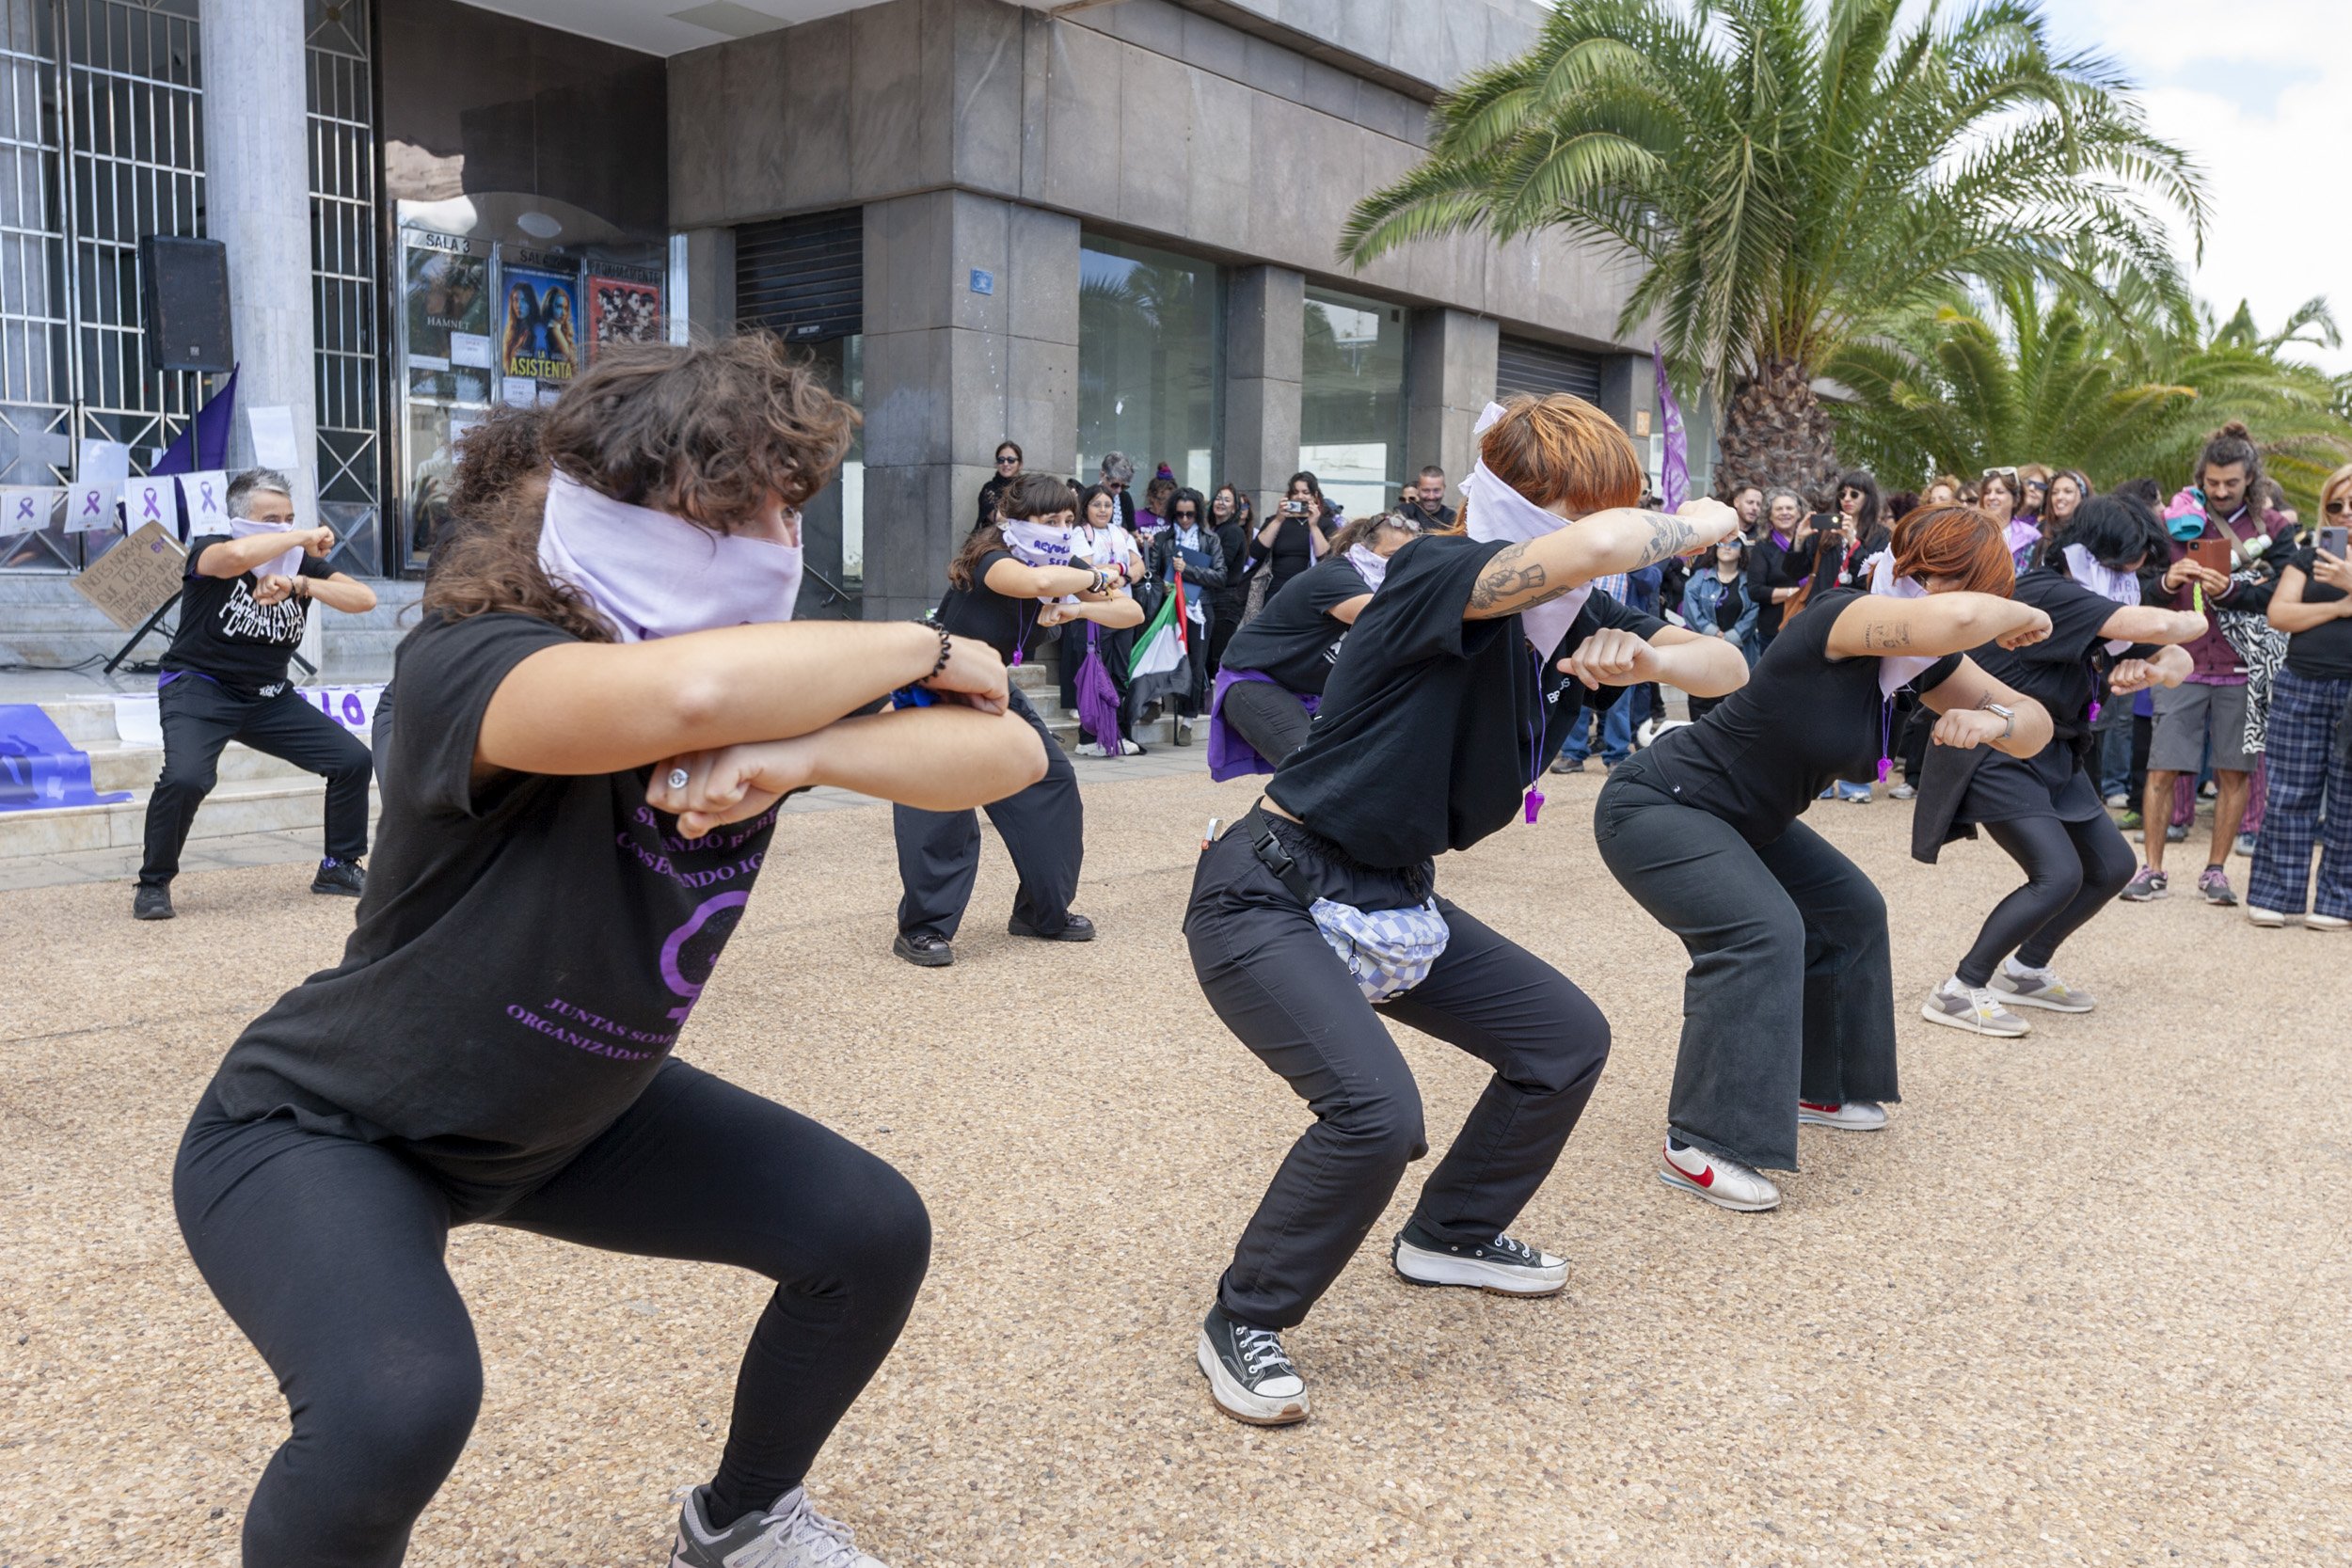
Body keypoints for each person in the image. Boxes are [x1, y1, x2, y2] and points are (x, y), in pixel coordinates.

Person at [173, 334, 1050, 1568]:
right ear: (623, 511)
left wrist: (804, 757)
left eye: (785, 512)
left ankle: (740, 1516)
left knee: (866, 1230)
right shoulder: (473, 662)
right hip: (332, 1123)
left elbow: (1014, 756)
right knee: (396, 1405)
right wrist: (929, 643)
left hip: (570, 1121)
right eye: (733, 510)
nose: (770, 542)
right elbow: (689, 701)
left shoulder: (773, 688)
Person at [1185, 393, 1747, 1427]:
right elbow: (1612, 540)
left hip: (1392, 895)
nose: (1593, 539)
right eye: (1578, 513)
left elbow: (1729, 666)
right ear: (1541, 507)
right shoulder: (1437, 571)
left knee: (1564, 1039)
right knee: (1375, 1116)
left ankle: (1451, 1230)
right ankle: (1243, 1313)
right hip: (1267, 887)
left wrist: (1651, 657)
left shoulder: (1567, 608)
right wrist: (1707, 519)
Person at [1595, 503, 2057, 1213]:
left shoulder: (1923, 664)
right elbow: (1959, 620)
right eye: (1940, 576)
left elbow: (2035, 728)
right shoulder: (1846, 615)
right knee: (1761, 929)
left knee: (1849, 911)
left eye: (1967, 582)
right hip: (1663, 802)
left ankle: (1821, 1085)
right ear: (1908, 565)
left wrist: (1990, 718)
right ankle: (1701, 1141)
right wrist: (2015, 612)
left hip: (1749, 819)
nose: (1950, 595)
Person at [1911, 497, 2206, 1035]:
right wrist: (2196, 612)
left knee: (2114, 865)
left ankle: (2025, 969)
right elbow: (2159, 623)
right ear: (2097, 554)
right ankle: (1961, 988)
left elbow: (2178, 657)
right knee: (2057, 874)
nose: (2132, 576)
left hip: (2057, 753)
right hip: (1995, 748)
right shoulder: (2049, 591)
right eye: (2127, 564)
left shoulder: (2100, 603)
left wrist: (2155, 666)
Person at [893, 471, 1141, 967]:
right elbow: (1039, 583)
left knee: (1050, 778)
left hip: (992, 687)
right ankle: (922, 929)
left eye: (1068, 520)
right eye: (1051, 519)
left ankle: (1040, 911)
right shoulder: (992, 555)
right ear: (1016, 518)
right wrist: (1096, 577)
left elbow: (1130, 612)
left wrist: (1077, 613)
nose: (1061, 529)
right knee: (942, 805)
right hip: (938, 684)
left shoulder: (1061, 561)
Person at [134, 468, 380, 922]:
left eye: (290, 518)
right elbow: (238, 557)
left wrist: (300, 584)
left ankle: (338, 867)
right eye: (272, 519)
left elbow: (364, 599)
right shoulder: (213, 548)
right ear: (241, 520)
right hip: (199, 689)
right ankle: (154, 883)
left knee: (351, 760)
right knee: (186, 778)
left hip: (269, 697)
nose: (284, 527)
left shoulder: (297, 563)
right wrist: (301, 536)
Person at [2120, 421, 2292, 906]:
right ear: (2201, 477)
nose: (2220, 491)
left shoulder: (2273, 529)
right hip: (2181, 662)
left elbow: (2285, 595)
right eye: (2212, 482)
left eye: (2231, 484)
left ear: (2250, 481)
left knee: (2233, 772)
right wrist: (2169, 582)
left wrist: (2235, 591)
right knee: (2162, 769)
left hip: (2242, 667)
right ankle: (2151, 869)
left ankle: (2216, 871)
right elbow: (2138, 588)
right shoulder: (2173, 522)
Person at [1207, 509, 1417, 778]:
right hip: (1255, 680)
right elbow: (1380, 618)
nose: (1402, 566)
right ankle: (1265, 821)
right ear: (1364, 550)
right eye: (1391, 556)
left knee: (1360, 771)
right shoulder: (1336, 576)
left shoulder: (1388, 589)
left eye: (1411, 558)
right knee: (1310, 772)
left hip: (1308, 692)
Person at [2247, 460, 2352, 929]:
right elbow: (2280, 615)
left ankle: (2339, 901)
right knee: (2289, 792)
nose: (2346, 512)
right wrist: (2342, 607)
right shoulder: (2308, 558)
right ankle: (2276, 894)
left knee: (2349, 799)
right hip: (2301, 682)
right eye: (2337, 504)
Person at [1061, 481, 1150, 756]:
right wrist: (1122, 571)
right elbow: (1089, 569)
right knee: (1092, 674)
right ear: (1085, 507)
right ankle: (1089, 738)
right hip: (1091, 612)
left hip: (1121, 611)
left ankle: (1116, 733)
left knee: (1118, 675)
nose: (1102, 510)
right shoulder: (1080, 534)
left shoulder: (1121, 533)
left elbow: (1140, 566)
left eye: (1108, 505)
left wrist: (1119, 572)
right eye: (1096, 504)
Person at [1144, 486, 1229, 743]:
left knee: (1195, 663)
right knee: (1164, 655)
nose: (1184, 519)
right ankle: (1155, 701)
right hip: (1169, 606)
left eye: (1189, 514)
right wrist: (1163, 584)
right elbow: (1153, 573)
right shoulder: (1162, 539)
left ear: (1197, 514)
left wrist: (1188, 570)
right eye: (1179, 514)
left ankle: (1188, 721)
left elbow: (1220, 576)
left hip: (1200, 608)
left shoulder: (1210, 539)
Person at [1678, 534, 1758, 721]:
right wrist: (1712, 633)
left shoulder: (1749, 582)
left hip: (1740, 651)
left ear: (1742, 550)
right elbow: (1690, 610)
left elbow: (1754, 610)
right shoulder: (1700, 578)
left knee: (1737, 705)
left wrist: (1731, 637)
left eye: (1733, 543)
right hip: (1704, 650)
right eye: (1721, 543)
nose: (1727, 547)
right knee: (1702, 702)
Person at [1251, 470, 1337, 602]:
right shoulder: (1276, 521)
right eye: (1295, 492)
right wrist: (1278, 519)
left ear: (1315, 496)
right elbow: (1256, 552)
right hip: (1275, 592)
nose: (1300, 496)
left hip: (1309, 592)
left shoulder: (1326, 524)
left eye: (1305, 492)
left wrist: (1313, 526)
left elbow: (1327, 559)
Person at [1747, 486, 1808, 651]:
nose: (1784, 512)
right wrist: (1796, 593)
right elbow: (1755, 590)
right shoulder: (1763, 547)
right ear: (1770, 515)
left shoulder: (1811, 542)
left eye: (1789, 508)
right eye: (1779, 509)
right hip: (1774, 630)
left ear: (1799, 513)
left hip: (1809, 626)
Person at [1203, 483, 1252, 678]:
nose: (1220, 503)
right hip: (1215, 597)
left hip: (1226, 600)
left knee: (1218, 654)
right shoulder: (1216, 529)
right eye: (1218, 498)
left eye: (1227, 500)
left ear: (1234, 508)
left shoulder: (1232, 531)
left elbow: (1221, 564)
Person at [1980, 467, 2035, 572]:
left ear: (2016, 500)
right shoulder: (1971, 533)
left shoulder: (2031, 536)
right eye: (1987, 492)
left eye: (1999, 492)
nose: (1991, 497)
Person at [976, 440, 1022, 528]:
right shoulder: (989, 488)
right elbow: (998, 518)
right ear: (997, 464)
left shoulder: (1027, 488)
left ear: (1020, 464)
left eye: (1011, 460)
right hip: (994, 539)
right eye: (1001, 460)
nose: (1005, 464)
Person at [1399, 464, 1457, 530]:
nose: (1431, 497)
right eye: (1426, 490)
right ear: (1418, 489)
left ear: (1444, 489)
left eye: (1436, 490)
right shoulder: (1403, 513)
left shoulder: (1452, 519)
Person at [1097, 451, 1138, 530]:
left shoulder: (1125, 497)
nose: (1119, 490)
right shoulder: (1089, 496)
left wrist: (1141, 538)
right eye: (1115, 485)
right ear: (1102, 475)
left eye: (1123, 486)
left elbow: (1132, 531)